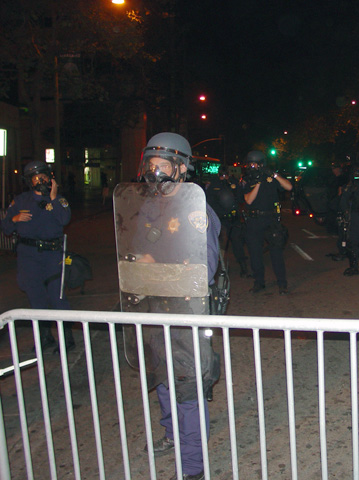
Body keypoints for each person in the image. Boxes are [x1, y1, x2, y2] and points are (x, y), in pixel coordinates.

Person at [132, 132, 221, 480]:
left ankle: (193, 467)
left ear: (182, 170)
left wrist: (156, 264)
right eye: (150, 165)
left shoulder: (197, 211)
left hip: (185, 313)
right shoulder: (147, 207)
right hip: (153, 308)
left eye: (163, 166)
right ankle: (172, 435)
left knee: (186, 388)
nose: (155, 173)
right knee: (162, 381)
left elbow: (205, 269)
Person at [1, 161, 74, 352]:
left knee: (57, 298)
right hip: (28, 257)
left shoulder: (59, 200)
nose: (40, 181)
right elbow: (6, 227)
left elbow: (64, 219)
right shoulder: (21, 200)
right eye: (36, 178)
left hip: (52, 256)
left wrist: (53, 197)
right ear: (29, 181)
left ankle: (66, 339)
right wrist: (14, 219)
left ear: (50, 178)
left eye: (43, 177)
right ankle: (44, 337)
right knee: (36, 299)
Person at [240, 150, 292, 294]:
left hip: (271, 220)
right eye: (250, 164)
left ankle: (282, 283)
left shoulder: (270, 177)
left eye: (255, 164)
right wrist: (258, 182)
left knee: (276, 254)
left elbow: (289, 187)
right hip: (254, 220)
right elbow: (248, 200)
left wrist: (273, 174)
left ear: (262, 164)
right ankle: (259, 282)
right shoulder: (247, 180)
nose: (252, 167)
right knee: (255, 254)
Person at [206, 165, 249, 277]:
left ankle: (243, 266)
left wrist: (233, 189)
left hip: (233, 218)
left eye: (226, 175)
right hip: (221, 219)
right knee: (221, 245)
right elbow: (209, 201)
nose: (224, 177)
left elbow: (240, 198)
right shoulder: (213, 184)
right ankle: (220, 269)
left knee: (237, 242)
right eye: (222, 175)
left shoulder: (233, 182)